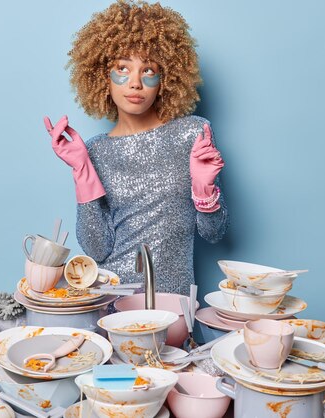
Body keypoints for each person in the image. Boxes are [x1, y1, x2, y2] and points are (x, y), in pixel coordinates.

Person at [43, 0, 228, 295]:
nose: (135, 83)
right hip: (111, 300)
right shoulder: (96, 151)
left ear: (165, 78)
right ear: (103, 77)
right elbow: (96, 249)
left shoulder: (193, 133)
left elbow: (214, 233)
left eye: (149, 71)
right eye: (122, 69)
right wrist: (82, 170)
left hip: (175, 309)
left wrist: (204, 191)